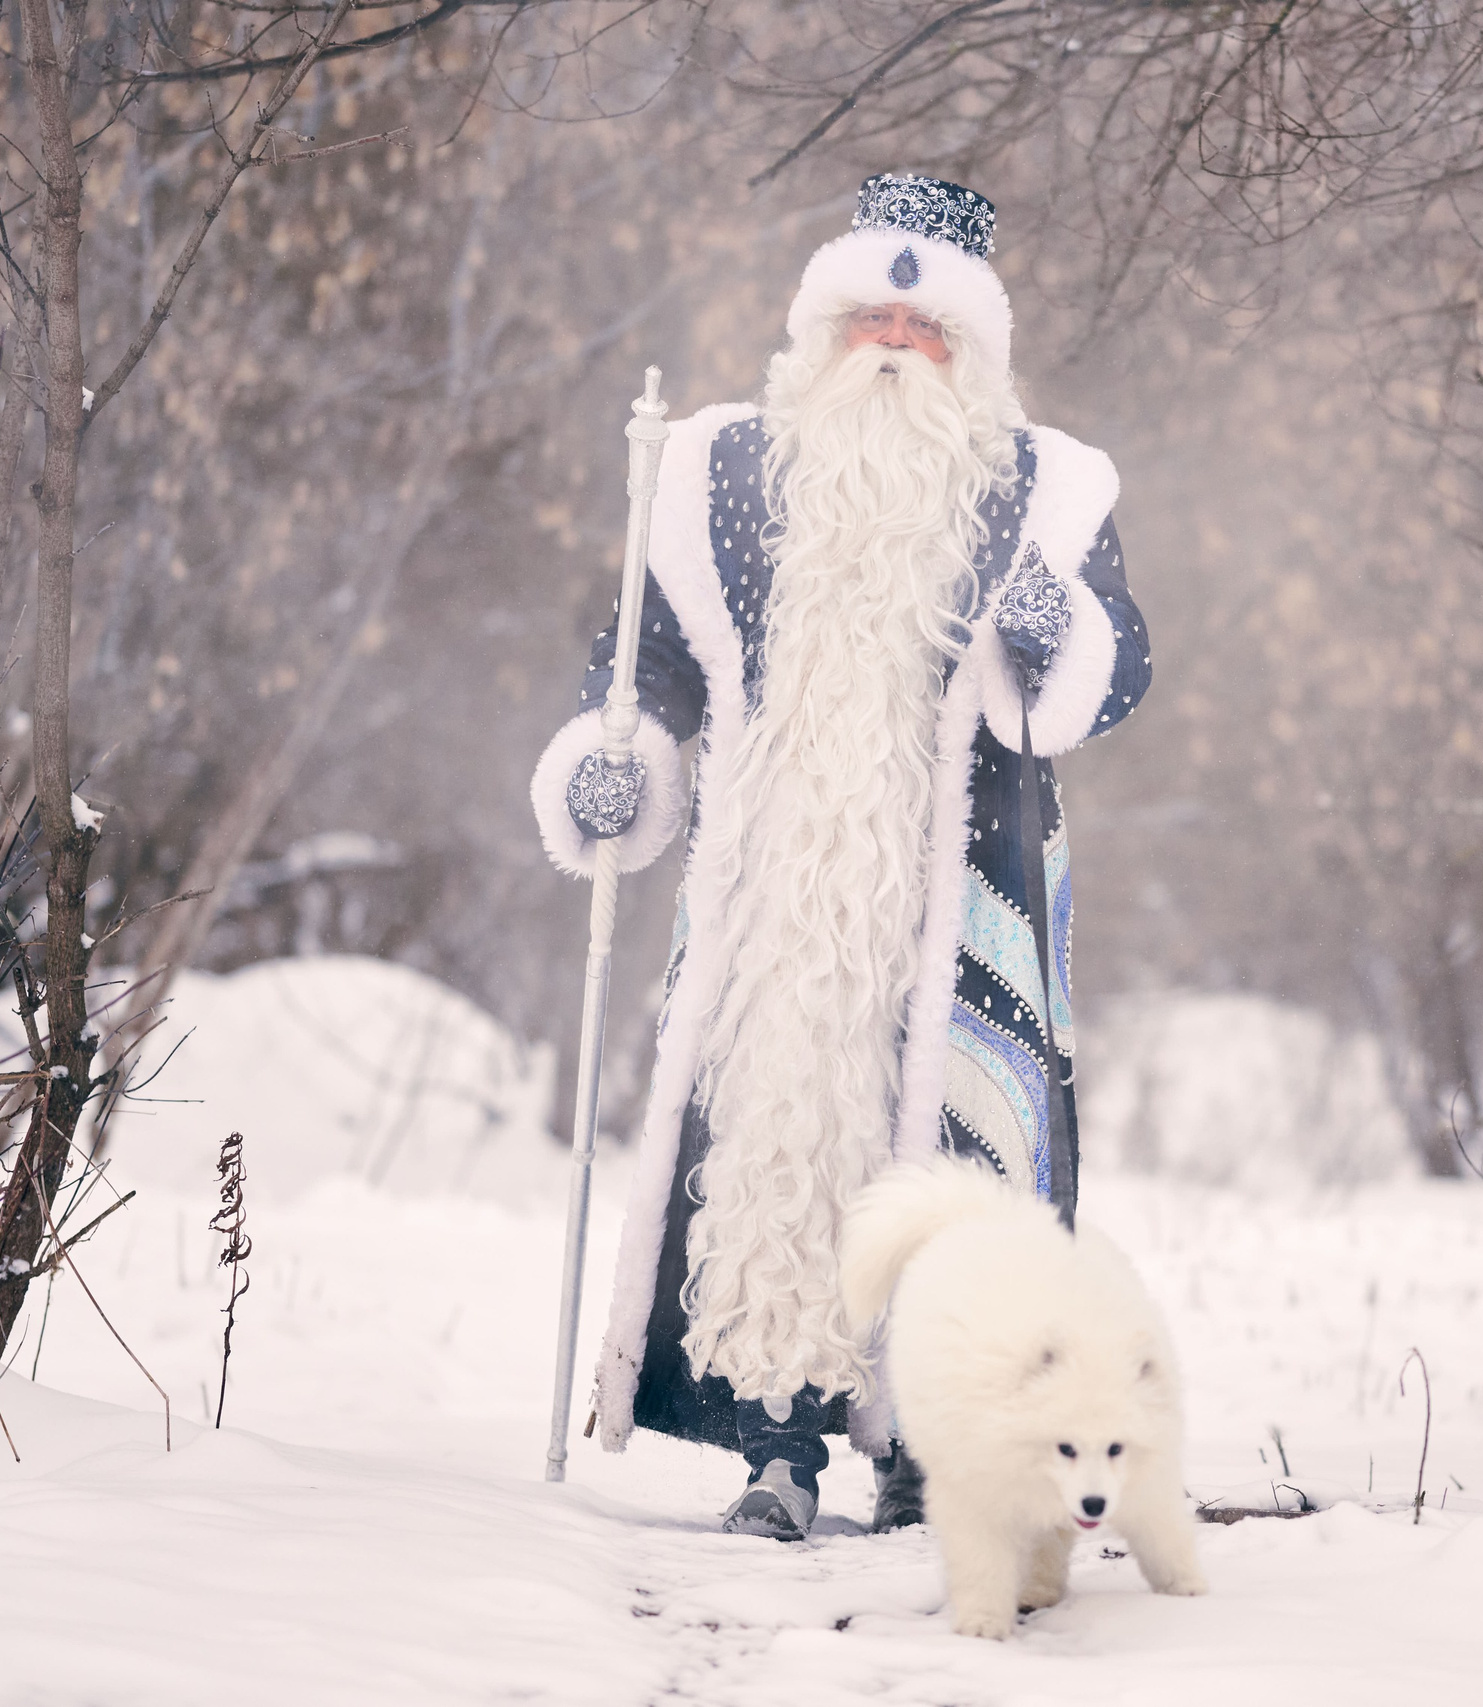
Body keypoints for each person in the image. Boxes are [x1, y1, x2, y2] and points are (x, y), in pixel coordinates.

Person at [528, 174, 1152, 1540]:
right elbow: (643, 660)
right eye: (874, 318)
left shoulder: (1048, 490)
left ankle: (939, 1446)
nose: (896, 346)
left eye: (927, 330)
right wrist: (614, 762)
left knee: (968, 1162)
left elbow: (1116, 673)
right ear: (824, 328)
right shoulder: (716, 474)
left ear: (972, 352)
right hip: (775, 883)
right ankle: (779, 1441)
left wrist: (1056, 626)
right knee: (776, 1150)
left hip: (968, 886)